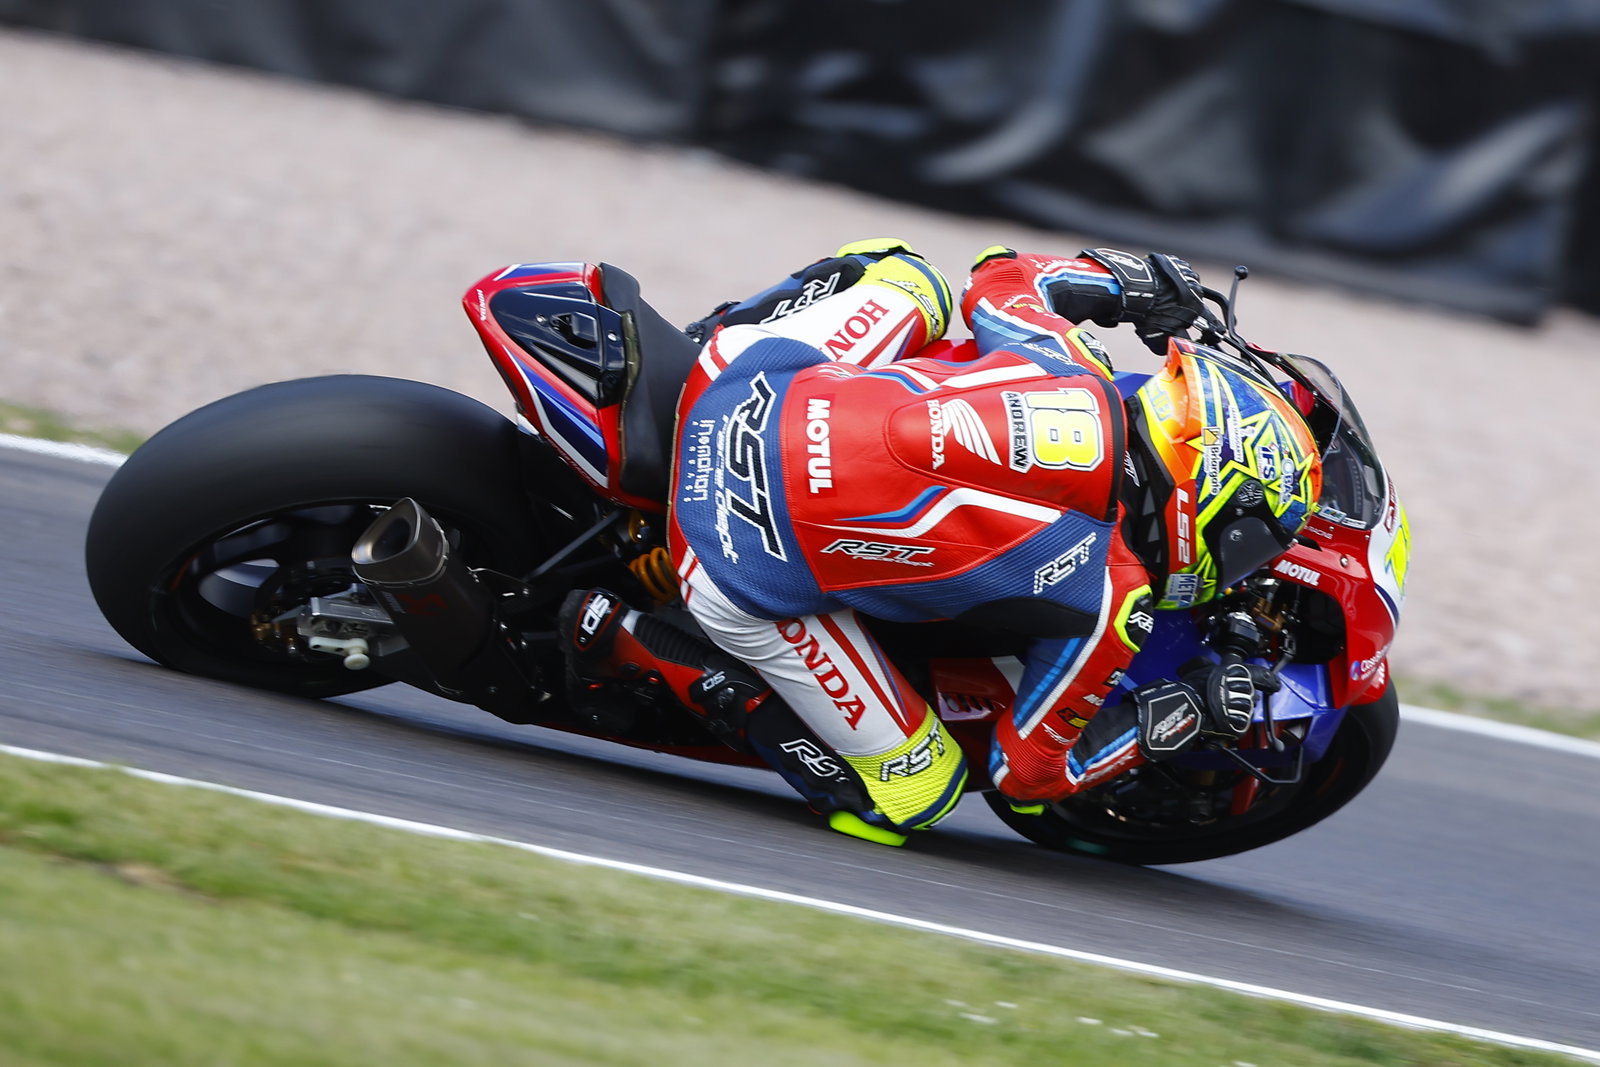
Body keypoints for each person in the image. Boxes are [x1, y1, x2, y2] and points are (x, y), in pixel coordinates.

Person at [559, 239, 1322, 845]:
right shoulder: (1112, 599)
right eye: (1255, 538)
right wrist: (1174, 712)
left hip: (736, 377)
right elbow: (1025, 774)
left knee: (906, 271)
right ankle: (631, 637)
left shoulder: (1068, 360)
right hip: (736, 560)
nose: (1253, 557)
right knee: (918, 792)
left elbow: (999, 274)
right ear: (1206, 505)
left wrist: (1129, 283)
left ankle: (675, 367)